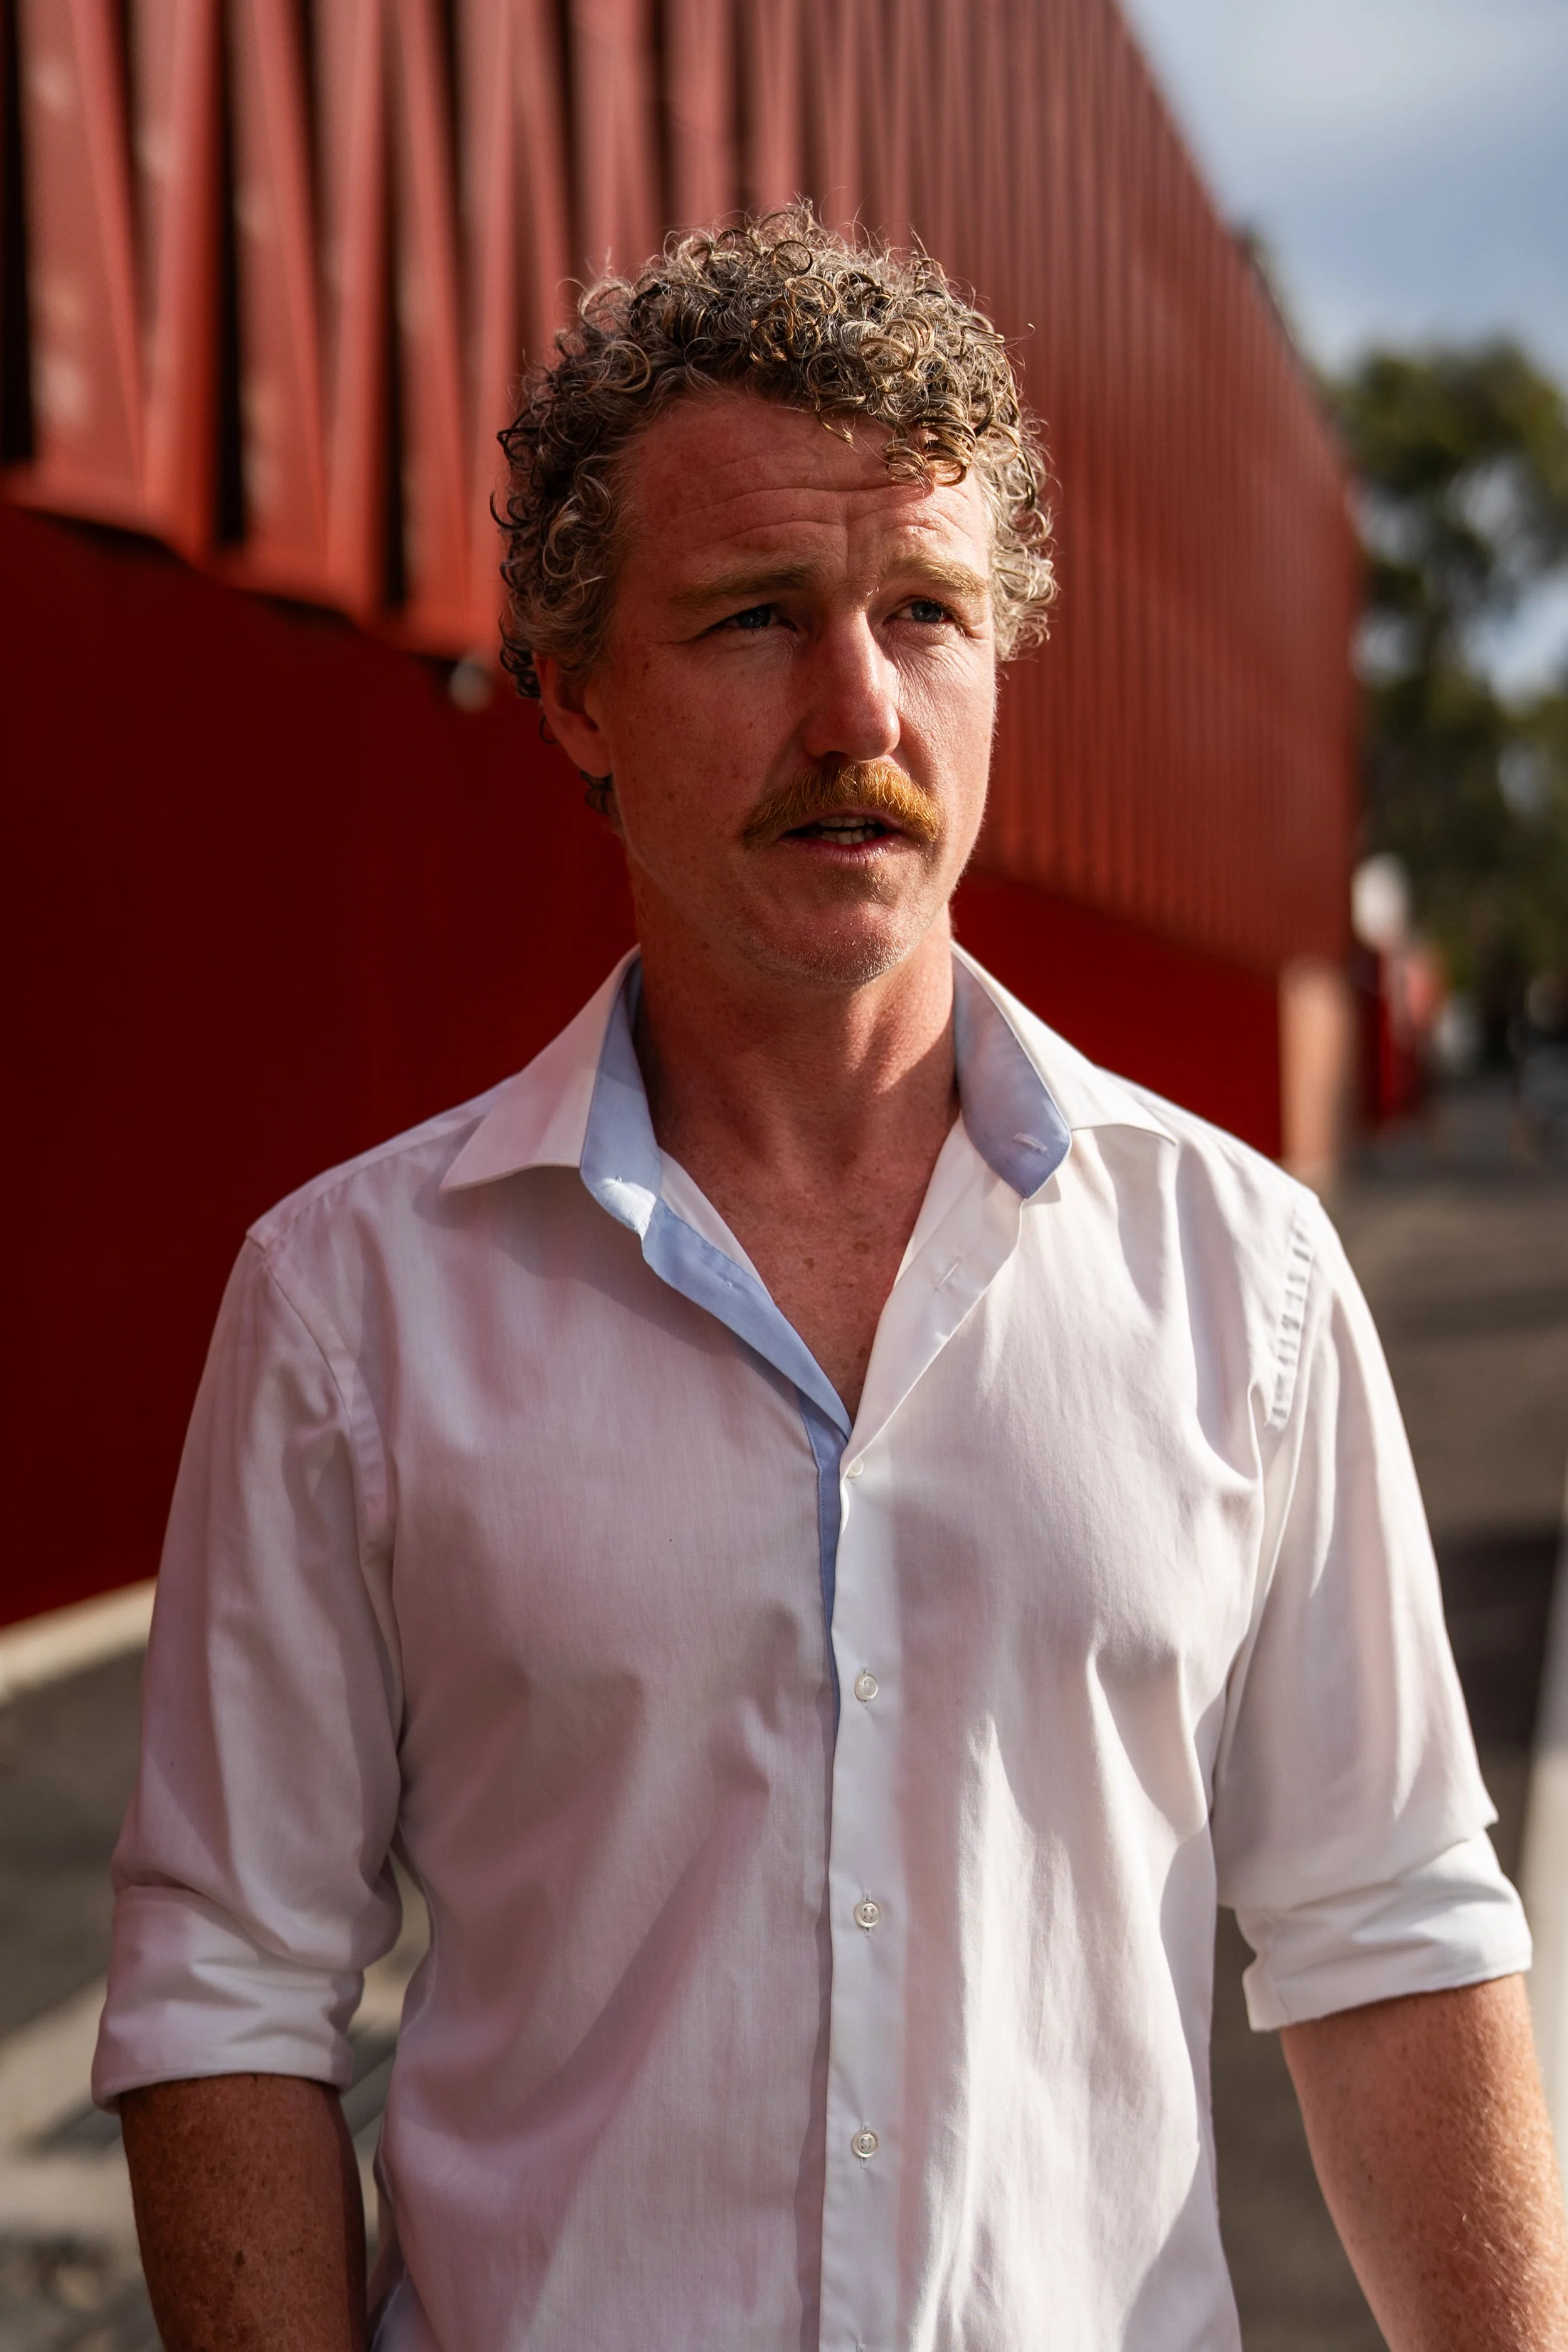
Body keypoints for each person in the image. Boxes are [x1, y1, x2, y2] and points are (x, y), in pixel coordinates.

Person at [96, 211, 1567, 2351]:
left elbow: (1395, 1932)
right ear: (577, 690)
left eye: (926, 613)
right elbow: (226, 1984)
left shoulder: (1238, 1277)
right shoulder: (350, 1311)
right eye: (756, 617)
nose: (858, 705)